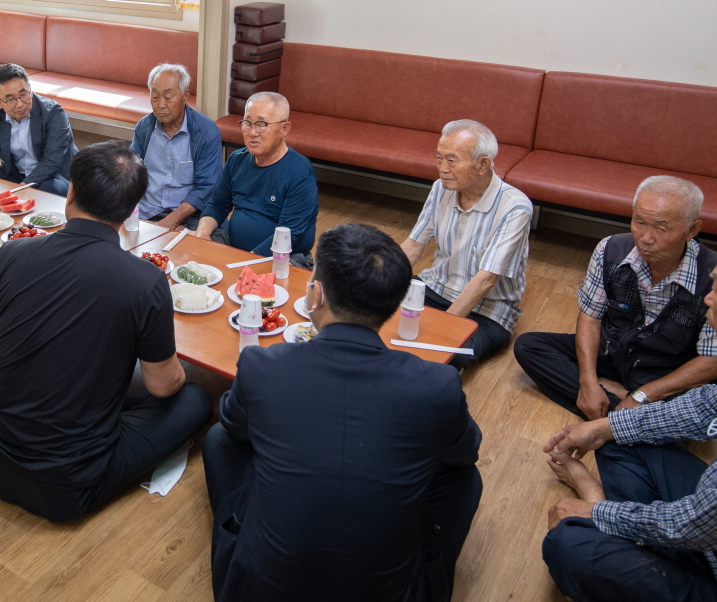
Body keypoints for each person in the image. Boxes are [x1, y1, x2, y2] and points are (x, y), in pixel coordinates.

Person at [205, 223, 483, 602]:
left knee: (219, 438)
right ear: (393, 305)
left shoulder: (262, 366)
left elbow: (235, 426)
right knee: (465, 478)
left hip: (258, 591)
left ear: (316, 294)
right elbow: (465, 453)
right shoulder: (437, 384)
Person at [540, 234, 717, 602]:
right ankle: (629, 530)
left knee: (567, 545)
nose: (707, 299)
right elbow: (706, 405)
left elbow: (706, 525)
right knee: (618, 434)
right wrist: (604, 426)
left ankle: (608, 513)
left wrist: (599, 512)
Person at [0, 141, 210, 522]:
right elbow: (163, 386)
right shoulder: (145, 281)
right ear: (131, 209)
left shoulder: (13, 253)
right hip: (68, 487)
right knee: (195, 398)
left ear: (71, 192)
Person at [515, 177, 717, 420]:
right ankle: (626, 417)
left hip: (666, 372)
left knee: (708, 406)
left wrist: (642, 395)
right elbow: (590, 320)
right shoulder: (610, 249)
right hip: (613, 355)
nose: (646, 238)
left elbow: (714, 362)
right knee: (529, 346)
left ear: (692, 230)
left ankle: (614, 412)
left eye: (661, 229)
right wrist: (588, 382)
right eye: (639, 222)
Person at [400, 120, 532, 369]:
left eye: (451, 160)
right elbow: (413, 246)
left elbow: (486, 279)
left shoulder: (515, 207)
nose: (442, 169)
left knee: (451, 352)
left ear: (482, 164)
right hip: (435, 287)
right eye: (439, 158)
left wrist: (444, 329)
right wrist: (377, 284)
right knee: (371, 310)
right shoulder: (441, 188)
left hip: (487, 309)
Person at [198, 92, 317, 268]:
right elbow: (218, 204)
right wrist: (202, 235)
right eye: (247, 123)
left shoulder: (300, 171)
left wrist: (246, 262)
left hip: (283, 256)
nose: (252, 132)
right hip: (233, 245)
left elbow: (289, 233)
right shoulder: (236, 159)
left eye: (262, 124)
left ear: (284, 129)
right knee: (192, 258)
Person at [129, 63, 222, 231]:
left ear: (185, 96)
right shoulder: (144, 127)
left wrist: (172, 221)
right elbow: (131, 172)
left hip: (189, 216)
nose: (161, 105)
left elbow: (206, 186)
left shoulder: (206, 132)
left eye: (168, 97)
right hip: (146, 212)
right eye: (155, 97)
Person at [0, 63, 76, 197]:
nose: (20, 104)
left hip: (52, 177)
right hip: (14, 175)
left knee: (50, 189)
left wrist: (19, 190)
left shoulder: (53, 112)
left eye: (23, 94)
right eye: (11, 99)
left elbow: (52, 161)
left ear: (29, 89)